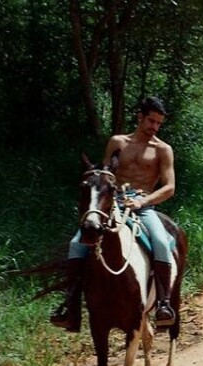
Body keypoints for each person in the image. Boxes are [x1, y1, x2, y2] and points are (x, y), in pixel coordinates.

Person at [50, 96, 177, 332]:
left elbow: (169, 187)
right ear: (140, 117)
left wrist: (142, 201)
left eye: (159, 123)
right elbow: (104, 175)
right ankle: (70, 307)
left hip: (143, 205)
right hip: (111, 204)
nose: (154, 127)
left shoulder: (163, 150)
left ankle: (163, 304)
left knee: (160, 241)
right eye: (151, 121)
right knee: (77, 244)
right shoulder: (118, 142)